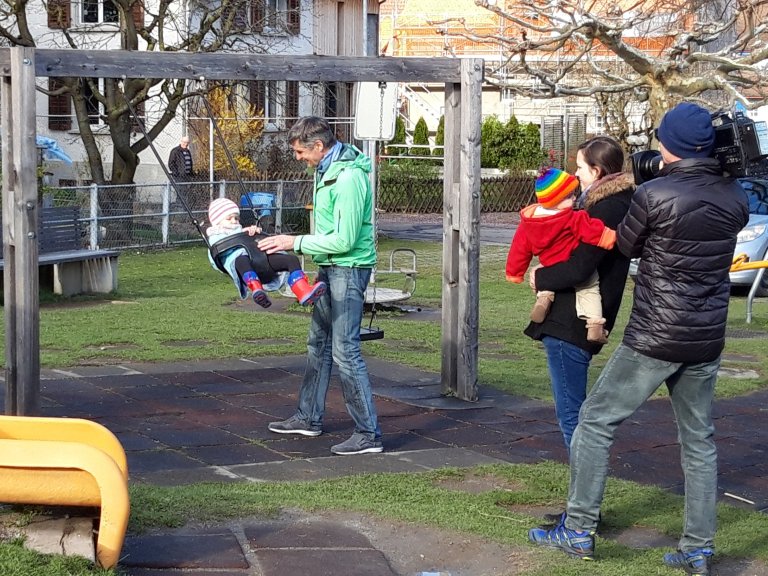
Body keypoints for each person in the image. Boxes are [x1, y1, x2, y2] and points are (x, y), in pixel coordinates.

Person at [528, 102, 749, 576]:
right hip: (706, 335)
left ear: (668, 146)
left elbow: (626, 246)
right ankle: (697, 550)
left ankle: (578, 529)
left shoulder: (656, 195)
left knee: (594, 422)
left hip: (656, 334)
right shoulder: (735, 197)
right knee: (699, 441)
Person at [257, 116, 382, 456]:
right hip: (332, 267)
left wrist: (293, 242)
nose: (298, 158)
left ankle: (368, 434)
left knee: (345, 350)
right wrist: (320, 266)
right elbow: (329, 235)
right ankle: (308, 416)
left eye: (300, 152)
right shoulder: (326, 171)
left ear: (318, 146)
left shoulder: (349, 178)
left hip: (350, 268)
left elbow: (344, 239)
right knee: (318, 343)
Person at [525, 137, 634, 454]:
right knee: (576, 412)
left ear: (597, 171)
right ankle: (585, 500)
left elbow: (581, 266)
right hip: (582, 317)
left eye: (580, 167)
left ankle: (585, 502)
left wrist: (541, 275)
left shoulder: (604, 209)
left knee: (572, 415)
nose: (575, 175)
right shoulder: (619, 202)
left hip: (572, 321)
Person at [506, 167, 617, 344]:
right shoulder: (572, 218)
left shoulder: (529, 222)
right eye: (568, 197)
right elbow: (592, 231)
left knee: (546, 279)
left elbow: (519, 249)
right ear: (556, 200)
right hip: (569, 262)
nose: (574, 198)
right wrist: (610, 237)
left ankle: (543, 299)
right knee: (589, 289)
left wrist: (515, 272)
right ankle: (595, 325)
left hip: (548, 264)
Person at [206, 197, 326, 308]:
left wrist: (253, 232)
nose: (234, 221)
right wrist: (243, 233)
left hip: (260, 259)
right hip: (242, 265)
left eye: (236, 218)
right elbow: (217, 252)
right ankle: (256, 288)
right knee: (241, 258)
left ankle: (304, 291)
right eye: (229, 218)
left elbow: (251, 239)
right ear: (217, 221)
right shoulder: (214, 235)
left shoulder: (241, 230)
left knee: (291, 260)